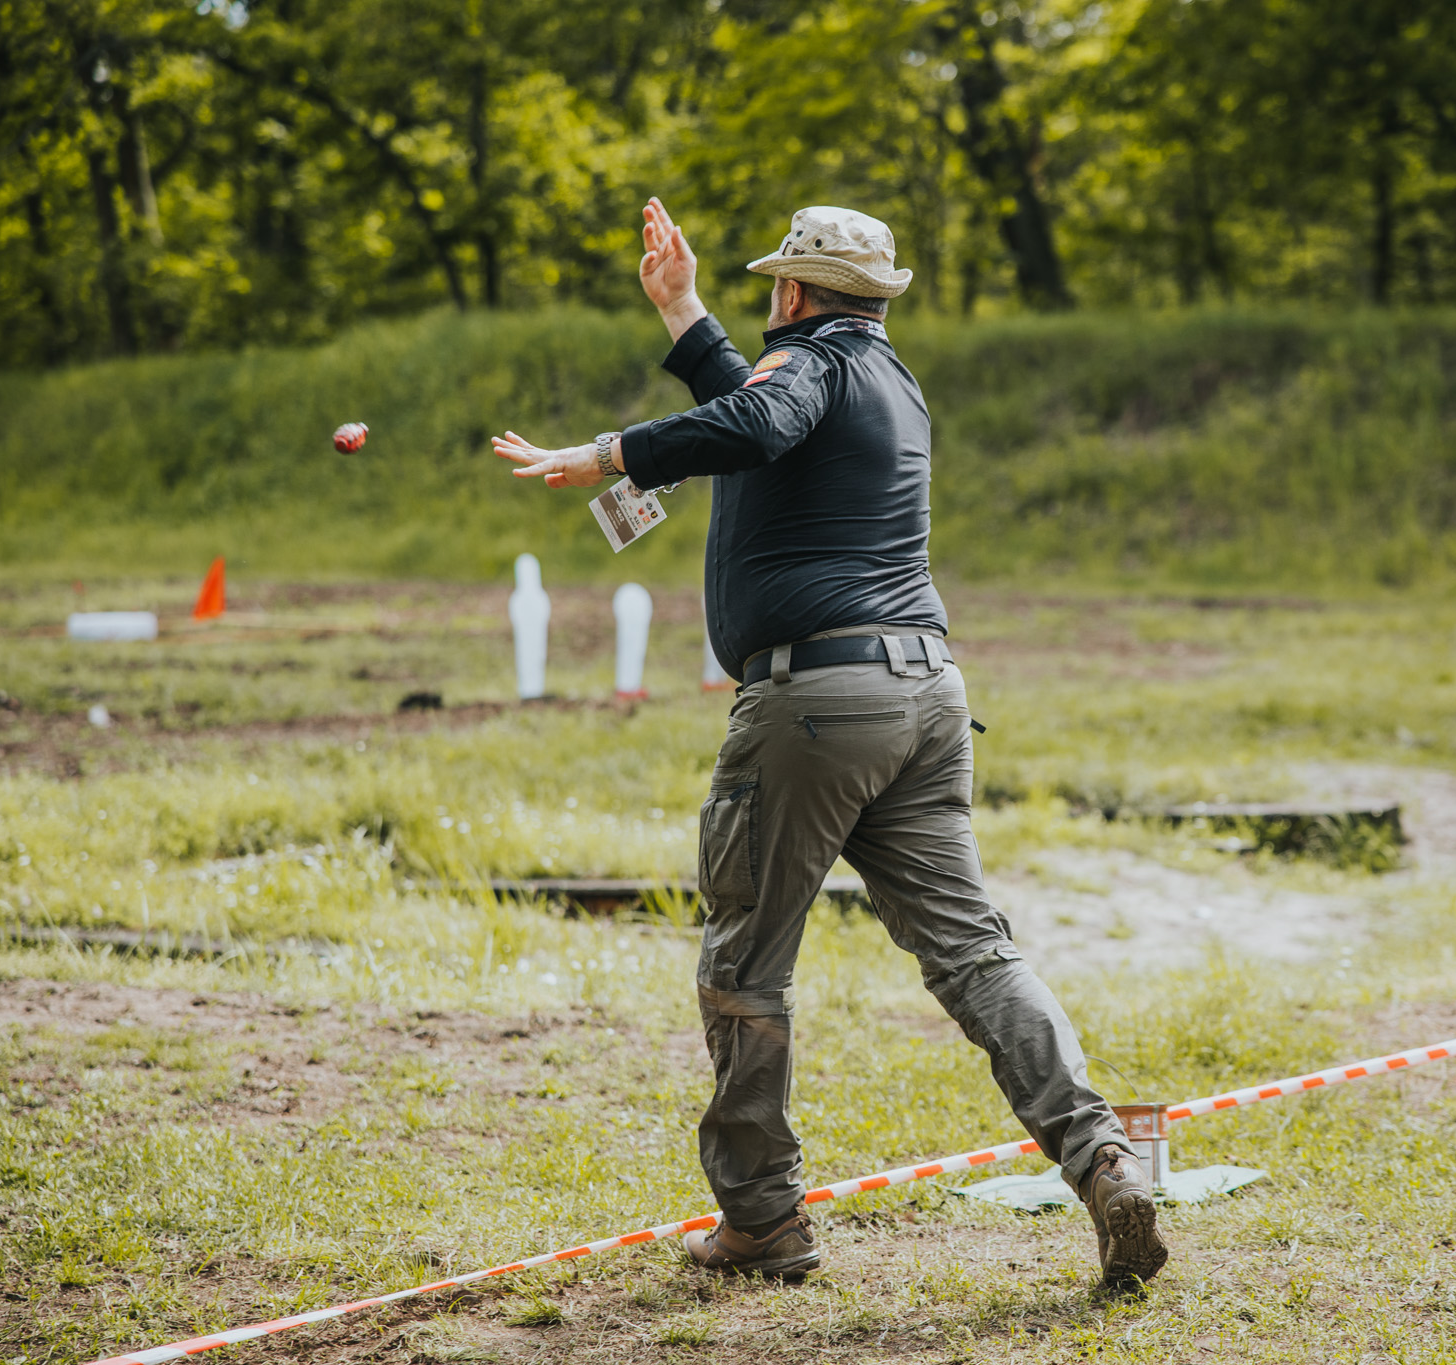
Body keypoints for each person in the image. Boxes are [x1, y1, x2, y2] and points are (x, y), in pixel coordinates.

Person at [492, 199, 1167, 1289]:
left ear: (794, 294)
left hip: (814, 704)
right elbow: (764, 416)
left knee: (744, 965)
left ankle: (760, 1220)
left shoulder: (803, 367)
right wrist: (683, 310)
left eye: (772, 291)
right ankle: (1101, 1158)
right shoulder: (884, 380)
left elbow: (758, 419)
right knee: (975, 952)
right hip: (924, 695)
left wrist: (604, 452)